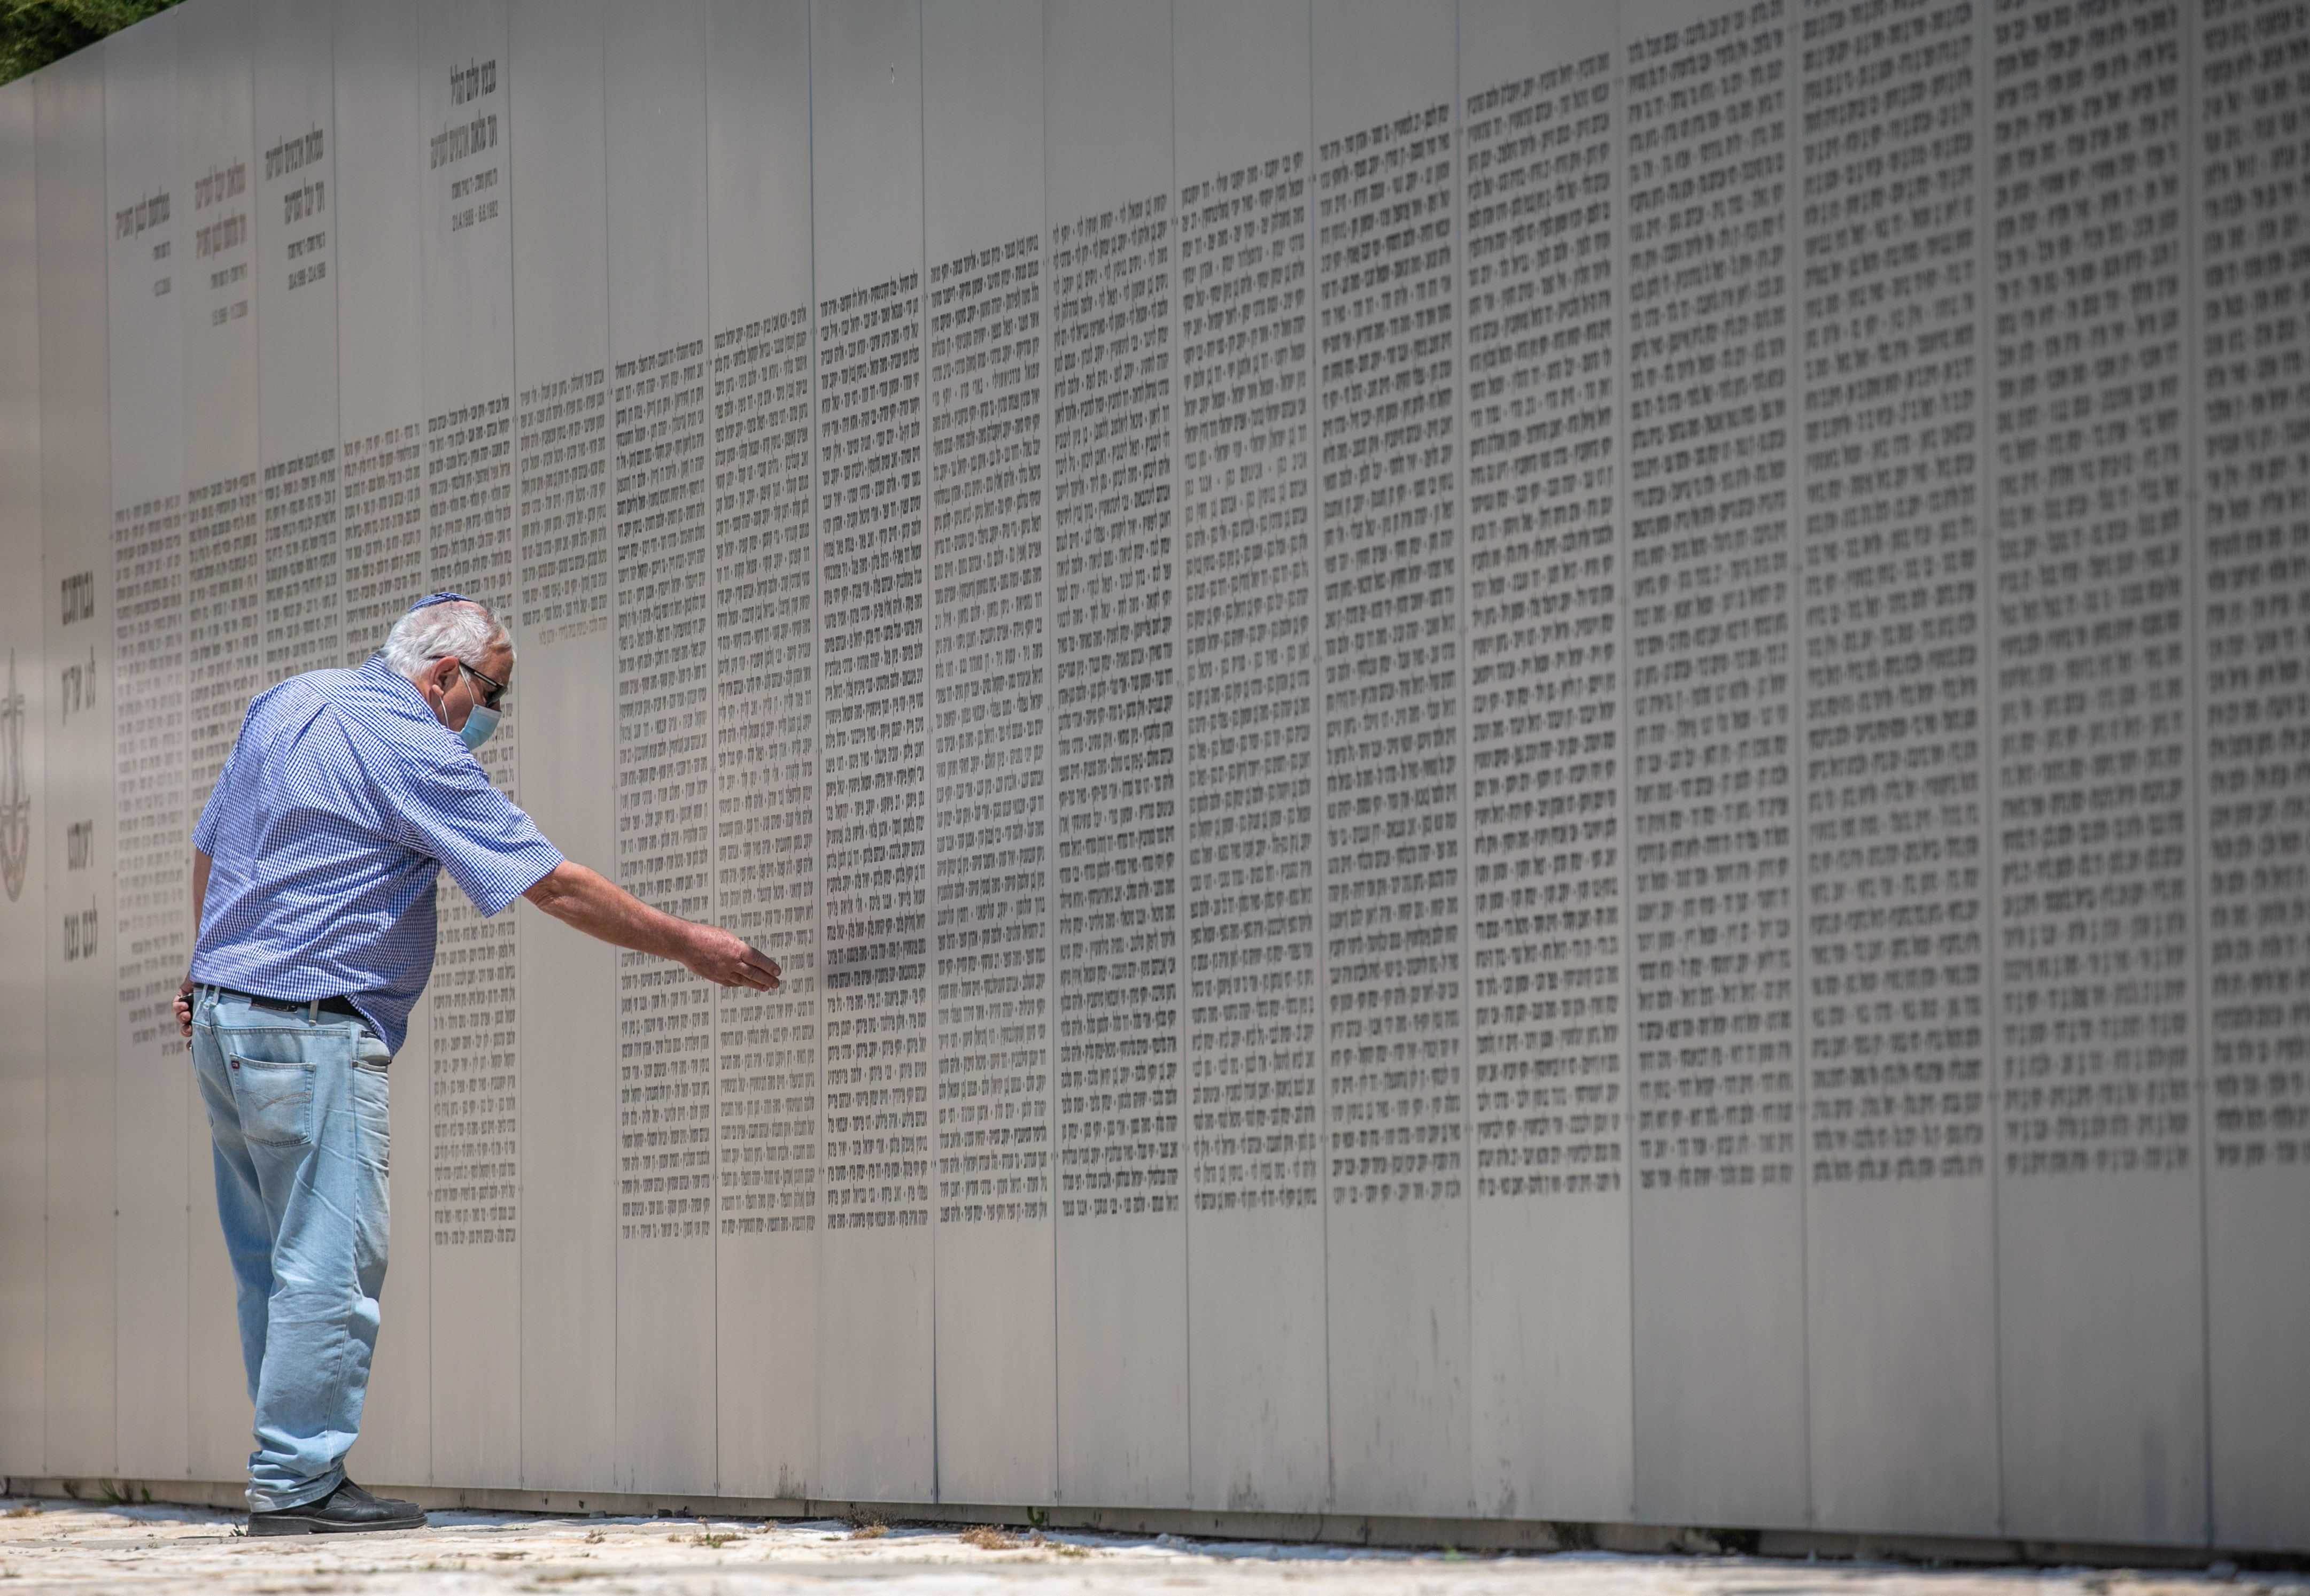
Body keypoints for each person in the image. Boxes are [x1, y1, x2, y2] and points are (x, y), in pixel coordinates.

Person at [171, 593, 779, 1536]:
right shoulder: (414, 743)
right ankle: (298, 1483)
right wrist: (688, 942)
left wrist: (204, 963)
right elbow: (549, 882)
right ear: (441, 677)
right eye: (493, 690)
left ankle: (290, 1467)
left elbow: (211, 844)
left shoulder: (287, 700)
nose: (491, 714)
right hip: (312, 1030)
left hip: (226, 1023)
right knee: (330, 1263)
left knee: (272, 1264)